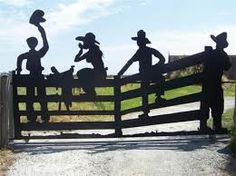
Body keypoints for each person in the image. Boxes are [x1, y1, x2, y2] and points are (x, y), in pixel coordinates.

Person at [118, 30, 165, 118]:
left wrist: (119, 74)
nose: (138, 43)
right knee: (160, 79)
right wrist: (155, 67)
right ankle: (158, 97)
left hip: (143, 75)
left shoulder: (139, 52)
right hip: (150, 73)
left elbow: (129, 62)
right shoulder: (149, 50)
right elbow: (162, 59)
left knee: (144, 93)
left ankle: (146, 111)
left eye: (139, 41)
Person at [16, 10, 49, 123]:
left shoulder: (30, 54)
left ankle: (34, 117)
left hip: (33, 77)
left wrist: (19, 69)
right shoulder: (37, 54)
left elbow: (20, 58)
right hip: (37, 76)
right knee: (39, 97)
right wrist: (40, 29)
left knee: (32, 98)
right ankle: (41, 116)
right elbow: (46, 45)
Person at [200, 32, 231, 133]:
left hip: (208, 82)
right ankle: (216, 126)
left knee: (208, 104)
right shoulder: (222, 54)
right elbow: (227, 66)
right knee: (216, 104)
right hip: (215, 82)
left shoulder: (210, 53)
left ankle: (205, 125)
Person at [74, 32, 107, 98]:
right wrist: (81, 49)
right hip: (100, 73)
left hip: (99, 74)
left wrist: (81, 50)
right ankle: (91, 92)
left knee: (81, 73)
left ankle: (91, 93)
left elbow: (76, 59)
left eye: (85, 42)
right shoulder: (94, 49)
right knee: (82, 73)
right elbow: (77, 60)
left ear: (88, 42)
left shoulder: (92, 51)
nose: (84, 43)